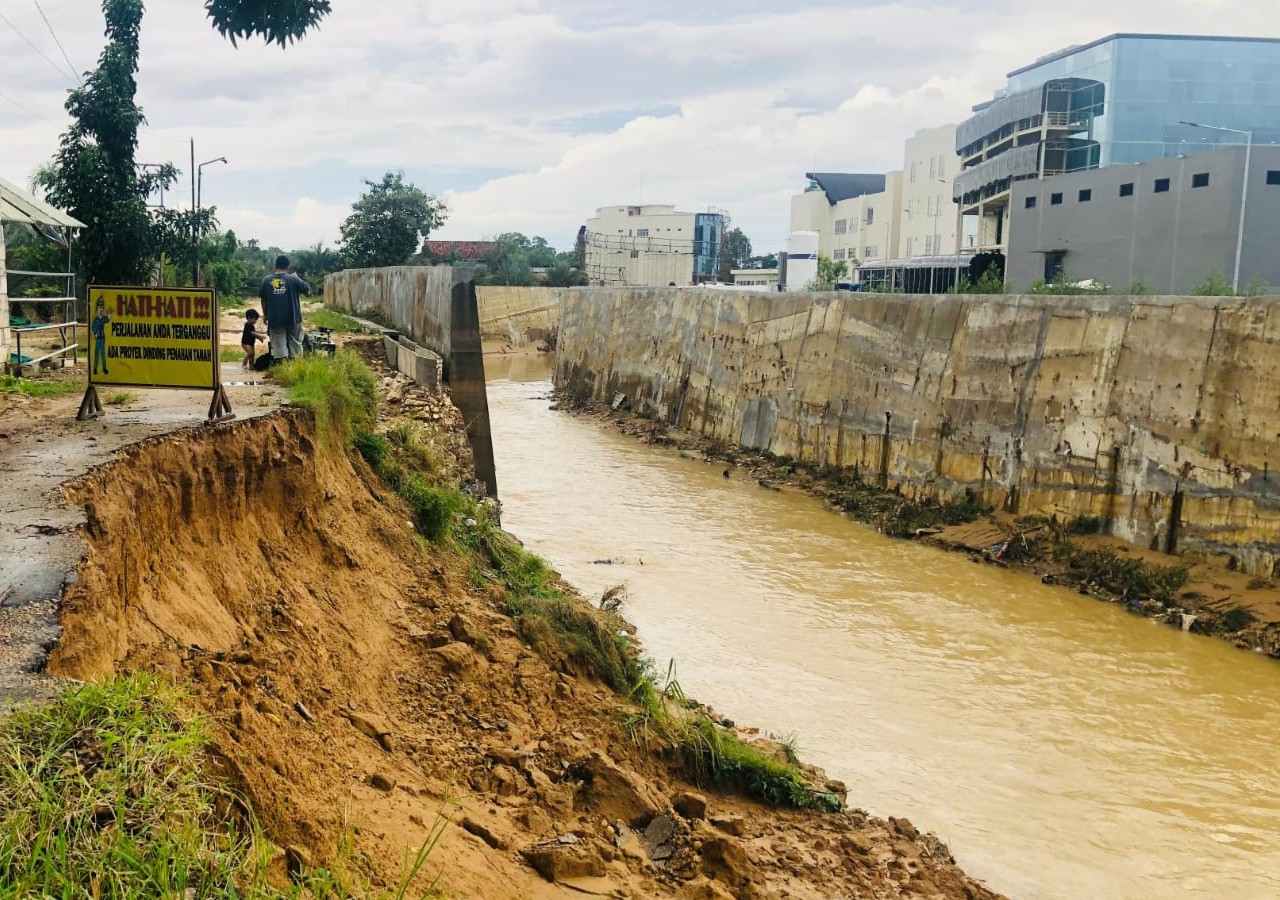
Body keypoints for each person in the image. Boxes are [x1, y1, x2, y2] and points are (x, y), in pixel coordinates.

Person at [258, 255, 310, 359]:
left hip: (275, 318)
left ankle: (282, 365)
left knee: (279, 346)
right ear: (287, 266)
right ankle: (295, 367)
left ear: (275, 266)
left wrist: (265, 315)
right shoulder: (293, 279)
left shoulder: (266, 280)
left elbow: (263, 300)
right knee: (295, 343)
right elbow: (306, 289)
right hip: (293, 317)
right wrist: (297, 277)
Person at [90, 296, 110, 375]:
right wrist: (95, 333)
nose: (101, 311)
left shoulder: (103, 319)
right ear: (97, 311)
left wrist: (109, 314)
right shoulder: (96, 320)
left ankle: (104, 368)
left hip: (102, 339)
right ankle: (95, 368)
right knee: (96, 354)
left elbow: (107, 319)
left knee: (103, 354)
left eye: (102, 310)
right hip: (98, 339)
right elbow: (93, 328)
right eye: (99, 310)